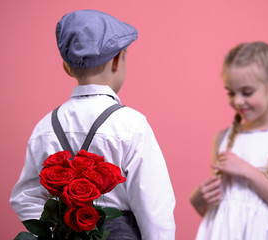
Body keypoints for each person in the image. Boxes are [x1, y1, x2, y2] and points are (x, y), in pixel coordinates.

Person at [10, 10, 176, 239]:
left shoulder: (45, 127)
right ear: (118, 60)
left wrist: (59, 227)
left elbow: (25, 196)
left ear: (66, 67)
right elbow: (155, 207)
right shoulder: (132, 125)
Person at [190, 41, 268, 239]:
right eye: (231, 92)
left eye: (247, 92)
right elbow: (225, 213)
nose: (237, 101)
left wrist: (247, 171)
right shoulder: (223, 138)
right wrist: (198, 201)